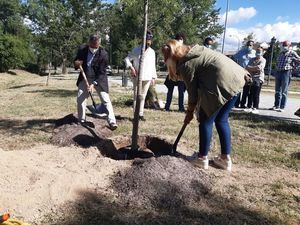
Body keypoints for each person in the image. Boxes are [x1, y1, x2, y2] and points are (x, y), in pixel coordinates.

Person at [162, 39, 249, 171]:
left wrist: (190, 112)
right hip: (237, 80)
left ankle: (202, 159)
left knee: (205, 120)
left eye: (165, 58)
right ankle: (225, 159)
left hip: (221, 82)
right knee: (221, 120)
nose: (164, 61)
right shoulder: (196, 51)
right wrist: (191, 110)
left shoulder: (186, 63)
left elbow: (192, 94)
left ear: (171, 56)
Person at [74, 34, 118, 129]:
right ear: (89, 43)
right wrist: (77, 63)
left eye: (96, 45)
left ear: (99, 44)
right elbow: (77, 60)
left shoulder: (103, 54)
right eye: (92, 45)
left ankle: (112, 121)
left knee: (105, 99)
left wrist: (93, 84)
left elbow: (102, 72)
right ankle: (82, 120)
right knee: (80, 99)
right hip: (85, 76)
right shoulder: (82, 49)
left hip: (99, 79)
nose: (94, 47)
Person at [124, 31, 157, 121]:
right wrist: (131, 67)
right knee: (136, 96)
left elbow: (153, 65)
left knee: (143, 96)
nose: (148, 42)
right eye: (147, 40)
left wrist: (153, 77)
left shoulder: (152, 52)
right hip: (137, 76)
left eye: (150, 40)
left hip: (148, 77)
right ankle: (135, 114)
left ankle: (140, 114)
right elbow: (127, 59)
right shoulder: (136, 50)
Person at [270, 40, 300, 112]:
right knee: (277, 90)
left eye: (286, 45)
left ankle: (282, 107)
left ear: (289, 46)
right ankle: (276, 105)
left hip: (286, 73)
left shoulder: (292, 53)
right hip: (278, 72)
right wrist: (276, 69)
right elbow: (277, 62)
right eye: (283, 45)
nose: (284, 47)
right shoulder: (280, 53)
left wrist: (293, 68)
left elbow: (299, 60)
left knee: (284, 91)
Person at [164, 32, 186, 112]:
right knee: (170, 91)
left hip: (180, 75)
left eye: (181, 39)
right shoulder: (170, 48)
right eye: (179, 39)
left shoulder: (184, 49)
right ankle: (167, 107)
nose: (180, 41)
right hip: (172, 73)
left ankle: (181, 107)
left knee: (181, 92)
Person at [233, 40, 256, 108]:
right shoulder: (241, 51)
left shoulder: (254, 53)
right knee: (238, 89)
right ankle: (236, 103)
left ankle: (243, 104)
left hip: (249, 73)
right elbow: (234, 58)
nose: (249, 46)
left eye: (250, 45)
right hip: (240, 72)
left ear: (253, 46)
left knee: (247, 90)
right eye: (248, 45)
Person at [245, 47, 266, 114]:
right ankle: (249, 107)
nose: (258, 53)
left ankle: (255, 107)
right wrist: (254, 68)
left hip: (258, 78)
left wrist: (251, 68)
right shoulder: (252, 59)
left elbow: (259, 68)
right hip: (251, 78)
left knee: (256, 93)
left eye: (259, 51)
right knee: (250, 93)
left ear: (262, 52)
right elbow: (247, 67)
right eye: (257, 51)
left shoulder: (263, 60)